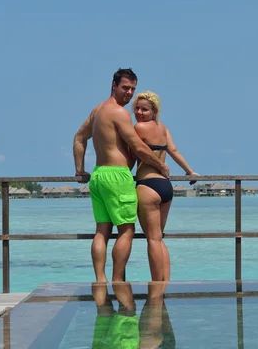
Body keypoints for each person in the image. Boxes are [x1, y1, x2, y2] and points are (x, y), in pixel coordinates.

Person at [73, 68, 170, 283]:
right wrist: (160, 165)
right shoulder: (119, 112)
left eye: (133, 89)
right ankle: (118, 282)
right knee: (126, 229)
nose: (129, 93)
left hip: (98, 176)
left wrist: (79, 170)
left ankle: (100, 281)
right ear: (113, 85)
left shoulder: (97, 111)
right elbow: (138, 147)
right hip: (117, 176)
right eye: (125, 88)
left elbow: (79, 138)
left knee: (102, 231)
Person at [131, 91, 198, 281]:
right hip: (166, 187)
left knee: (152, 239)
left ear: (154, 111)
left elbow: (134, 153)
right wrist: (189, 171)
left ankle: (156, 285)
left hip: (147, 185)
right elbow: (174, 151)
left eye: (144, 109)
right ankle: (165, 283)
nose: (139, 112)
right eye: (136, 108)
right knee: (159, 238)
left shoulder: (138, 127)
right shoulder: (163, 129)